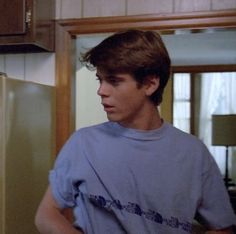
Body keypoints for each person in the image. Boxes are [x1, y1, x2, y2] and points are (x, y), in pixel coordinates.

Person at [35, 29, 236, 234]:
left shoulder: (194, 153)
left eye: (114, 81)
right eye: (100, 80)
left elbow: (222, 228)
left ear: (150, 84)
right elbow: (46, 213)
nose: (101, 90)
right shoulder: (83, 143)